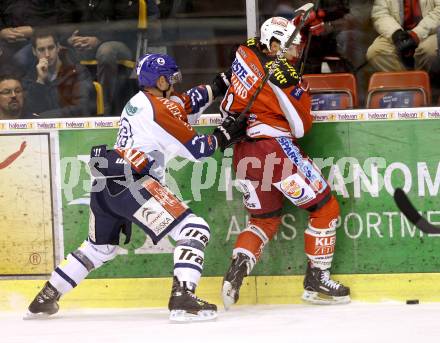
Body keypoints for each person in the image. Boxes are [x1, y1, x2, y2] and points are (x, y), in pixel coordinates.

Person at [25, 53, 244, 322]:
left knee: (99, 248)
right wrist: (226, 133)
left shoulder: (142, 101)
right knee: (195, 228)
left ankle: (46, 297)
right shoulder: (160, 111)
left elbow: (184, 102)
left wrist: (220, 84)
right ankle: (183, 298)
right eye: (170, 79)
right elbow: (199, 150)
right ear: (160, 80)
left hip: (105, 184)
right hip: (135, 184)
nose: (174, 84)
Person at [219, 16, 350, 309]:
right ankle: (317, 281)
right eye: (292, 45)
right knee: (326, 207)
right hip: (273, 152)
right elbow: (302, 128)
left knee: (263, 220)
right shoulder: (287, 78)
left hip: (242, 154)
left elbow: (266, 39)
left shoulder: (246, 51)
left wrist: (293, 25)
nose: (297, 51)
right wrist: (298, 89)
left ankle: (237, 268)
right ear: (275, 44)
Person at [22, 29, 95, 118]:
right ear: (34, 52)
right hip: (44, 129)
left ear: (58, 47)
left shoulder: (77, 72)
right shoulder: (30, 77)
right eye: (41, 50)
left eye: (51, 48)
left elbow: (82, 108)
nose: (47, 54)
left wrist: (45, 117)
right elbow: (29, 113)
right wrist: (40, 81)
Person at [366, 0, 440, 72]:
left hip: (431, 32)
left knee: (430, 52)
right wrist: (395, 33)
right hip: (399, 31)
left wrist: (416, 34)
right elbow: (380, 14)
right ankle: (409, 81)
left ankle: (425, 81)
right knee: (376, 52)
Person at [0, 0, 57, 73]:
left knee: (20, 59)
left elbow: (58, 17)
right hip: (6, 38)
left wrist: (35, 30)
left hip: (38, 38)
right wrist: (1, 32)